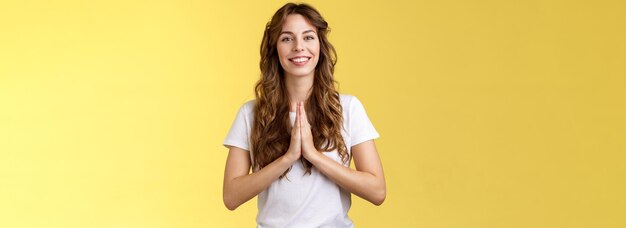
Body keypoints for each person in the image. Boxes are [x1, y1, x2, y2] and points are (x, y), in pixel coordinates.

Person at [222, 3, 386, 227]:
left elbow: (377, 191)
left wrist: (313, 155)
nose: (299, 47)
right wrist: (288, 158)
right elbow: (231, 196)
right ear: (274, 49)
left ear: (320, 45)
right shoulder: (250, 114)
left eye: (308, 37)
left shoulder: (348, 108)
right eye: (287, 38)